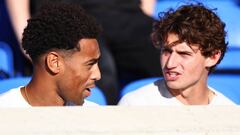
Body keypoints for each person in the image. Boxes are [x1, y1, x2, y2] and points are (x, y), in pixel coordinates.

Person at [118, 3, 236, 105]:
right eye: (166, 51)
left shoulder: (230, 113)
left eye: (184, 53)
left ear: (213, 57)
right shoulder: (135, 104)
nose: (170, 64)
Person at [0, 2, 101, 107]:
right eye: (89, 65)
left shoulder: (93, 114)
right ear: (54, 62)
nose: (98, 75)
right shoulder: (4, 111)